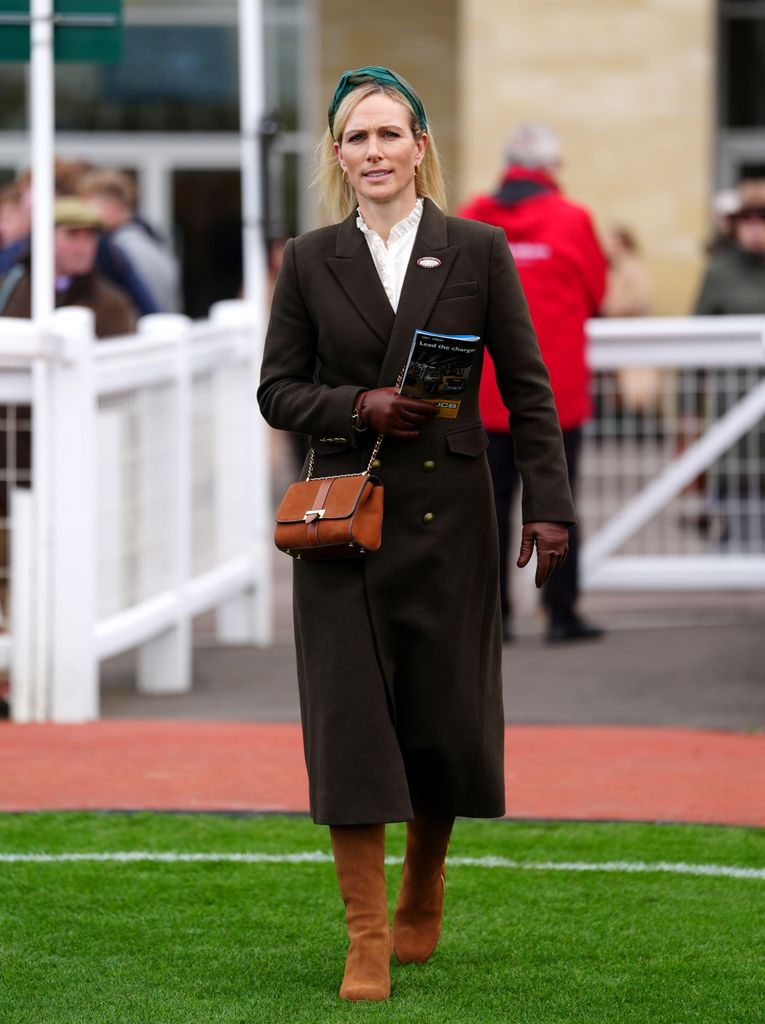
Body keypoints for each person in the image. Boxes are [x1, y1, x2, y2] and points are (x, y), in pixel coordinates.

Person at [257, 68, 574, 1003]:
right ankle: (364, 936)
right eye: (357, 139)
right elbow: (276, 390)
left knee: (443, 719)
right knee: (351, 725)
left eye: (390, 134)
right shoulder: (309, 259)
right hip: (342, 523)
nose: (374, 153)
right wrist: (360, 402)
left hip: (450, 522)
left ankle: (423, 885)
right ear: (338, 154)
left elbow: (527, 385)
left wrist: (548, 505)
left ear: (420, 145)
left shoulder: (478, 248)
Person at [458, 123, 606, 643]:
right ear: (549, 168)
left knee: (488, 510)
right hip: (555, 395)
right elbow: (594, 291)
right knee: (556, 504)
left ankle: (492, 620)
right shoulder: (573, 220)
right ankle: (560, 615)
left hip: (485, 394)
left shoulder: (471, 218)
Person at [693, 178, 765, 548]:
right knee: (742, 497)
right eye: (748, 219)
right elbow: (693, 344)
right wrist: (688, 414)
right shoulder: (720, 272)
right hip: (735, 406)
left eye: (763, 218)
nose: (755, 227)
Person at [0, 196, 137, 335]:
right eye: (72, 235)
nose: (83, 247)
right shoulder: (9, 290)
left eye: (90, 236)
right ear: (44, 237)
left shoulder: (111, 306)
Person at [79, 168, 181, 315]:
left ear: (111, 208)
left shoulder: (121, 250)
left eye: (88, 207)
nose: (85, 216)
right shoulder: (149, 242)